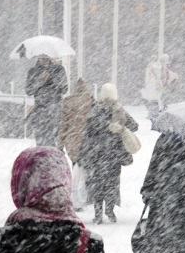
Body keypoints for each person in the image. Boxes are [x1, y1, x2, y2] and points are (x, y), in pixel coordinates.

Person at [78, 83, 138, 224]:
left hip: (98, 154)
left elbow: (88, 132)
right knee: (112, 183)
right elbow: (135, 126)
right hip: (114, 154)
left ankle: (98, 214)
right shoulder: (119, 110)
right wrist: (121, 127)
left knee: (97, 183)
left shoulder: (95, 110)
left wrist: (83, 153)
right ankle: (110, 211)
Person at [57, 77, 95, 211]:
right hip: (87, 140)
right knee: (86, 170)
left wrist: (60, 143)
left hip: (72, 140)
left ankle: (76, 199)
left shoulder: (67, 102)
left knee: (76, 169)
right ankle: (84, 197)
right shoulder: (90, 101)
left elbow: (63, 124)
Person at [25, 55, 68, 146]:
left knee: (53, 143)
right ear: (38, 57)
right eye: (42, 56)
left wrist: (52, 78)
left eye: (46, 56)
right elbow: (28, 91)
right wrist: (39, 82)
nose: (44, 58)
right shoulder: (33, 71)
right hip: (40, 113)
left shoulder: (59, 70)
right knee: (40, 143)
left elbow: (64, 88)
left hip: (55, 112)